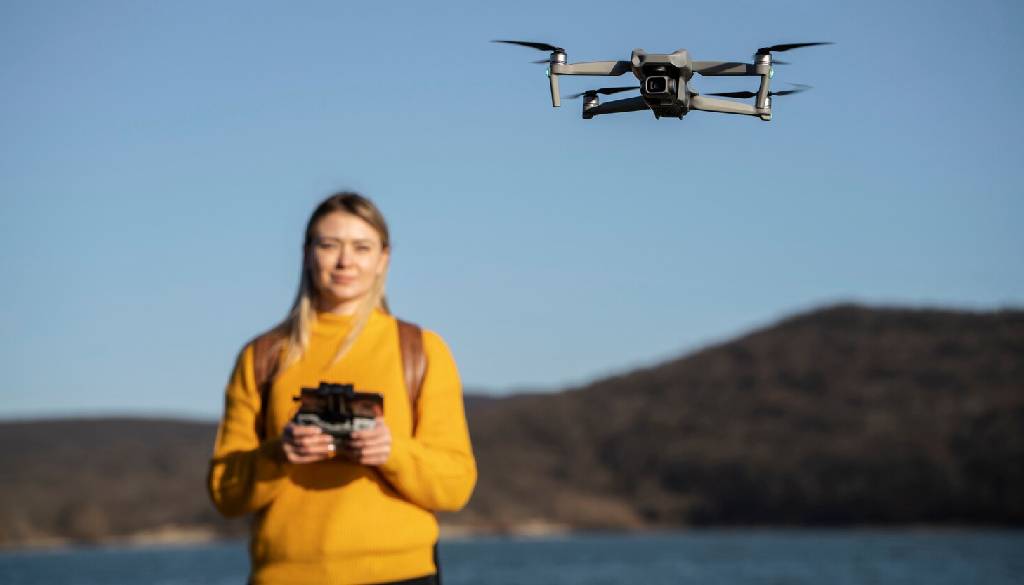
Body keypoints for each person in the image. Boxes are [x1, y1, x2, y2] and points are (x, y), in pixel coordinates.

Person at [208, 192, 477, 585]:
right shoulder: (263, 356)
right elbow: (225, 492)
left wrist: (391, 452)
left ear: (384, 258)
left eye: (361, 247)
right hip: (286, 575)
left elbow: (455, 485)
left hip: (401, 574)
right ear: (306, 253)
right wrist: (280, 453)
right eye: (330, 245)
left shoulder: (421, 351)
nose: (345, 261)